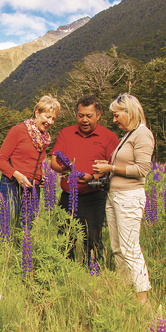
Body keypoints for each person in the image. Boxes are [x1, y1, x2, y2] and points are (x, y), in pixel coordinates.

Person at [93, 94, 155, 305]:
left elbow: (142, 170)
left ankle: (142, 298)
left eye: (116, 115)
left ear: (129, 112)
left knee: (130, 248)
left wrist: (110, 167)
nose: (114, 120)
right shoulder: (129, 135)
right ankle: (124, 290)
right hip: (115, 196)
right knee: (117, 247)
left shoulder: (143, 134)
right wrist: (108, 167)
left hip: (129, 197)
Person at [49, 96, 119, 263]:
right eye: (81, 115)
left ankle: (94, 273)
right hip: (68, 196)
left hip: (94, 196)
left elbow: (112, 168)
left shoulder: (109, 137)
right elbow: (53, 161)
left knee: (93, 240)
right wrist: (66, 170)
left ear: (99, 115)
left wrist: (91, 177)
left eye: (89, 116)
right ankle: (65, 272)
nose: (85, 120)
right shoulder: (66, 133)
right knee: (65, 239)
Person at [0, 95, 61, 225]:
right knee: (5, 226)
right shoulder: (18, 130)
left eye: (53, 118)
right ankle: (3, 246)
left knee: (26, 230)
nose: (51, 122)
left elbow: (35, 164)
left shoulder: (44, 139)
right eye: (47, 117)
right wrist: (17, 175)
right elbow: (0, 160)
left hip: (33, 188)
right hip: (12, 184)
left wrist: (41, 178)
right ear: (37, 112)